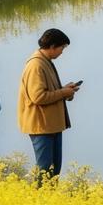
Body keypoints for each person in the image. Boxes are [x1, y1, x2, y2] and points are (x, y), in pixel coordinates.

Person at [18, 28, 79, 179]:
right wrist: (63, 93)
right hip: (42, 126)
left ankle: (49, 198)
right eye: (62, 48)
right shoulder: (36, 65)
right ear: (52, 46)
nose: (62, 52)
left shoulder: (45, 62)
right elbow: (38, 97)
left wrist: (64, 90)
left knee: (54, 169)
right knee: (45, 169)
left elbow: (47, 91)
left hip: (51, 125)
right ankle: (40, 199)